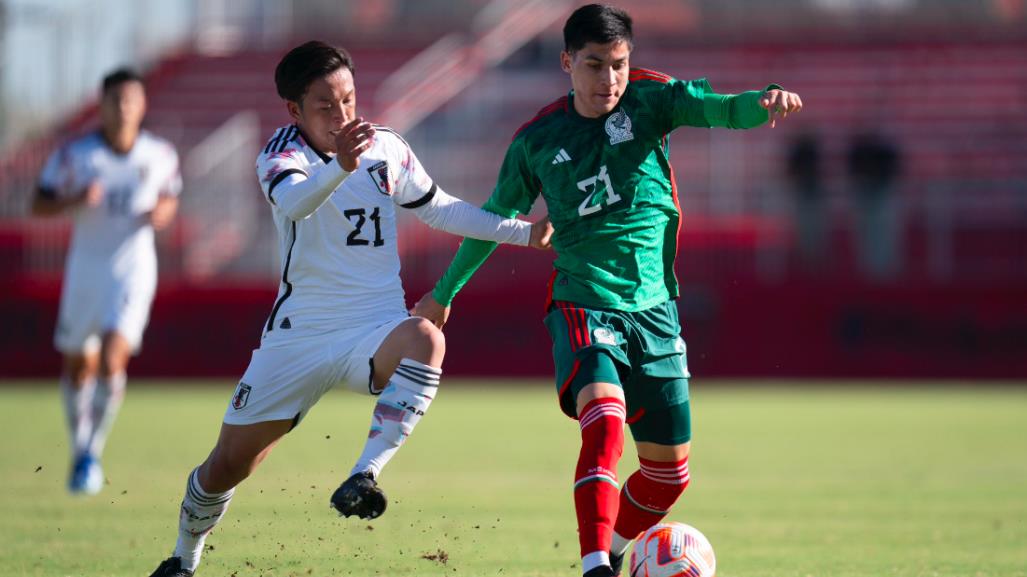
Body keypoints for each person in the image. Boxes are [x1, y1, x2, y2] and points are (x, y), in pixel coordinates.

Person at [412, 5, 802, 576]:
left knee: (670, 474)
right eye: (595, 65)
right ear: (568, 62)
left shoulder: (652, 99)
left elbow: (720, 110)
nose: (609, 80)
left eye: (618, 65)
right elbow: (494, 219)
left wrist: (763, 99)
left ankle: (614, 554)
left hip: (655, 310)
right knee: (605, 418)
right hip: (583, 300)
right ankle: (594, 564)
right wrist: (443, 293)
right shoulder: (538, 140)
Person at [148, 41, 552, 577]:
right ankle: (183, 559)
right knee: (229, 464)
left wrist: (524, 234)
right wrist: (340, 166)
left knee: (427, 338)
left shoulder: (385, 147)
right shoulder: (280, 154)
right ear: (295, 110)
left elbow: (438, 209)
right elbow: (295, 202)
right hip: (299, 335)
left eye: (349, 99)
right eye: (325, 105)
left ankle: (364, 475)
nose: (343, 115)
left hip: (375, 326)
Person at [32, 68, 181, 496]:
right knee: (79, 366)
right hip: (85, 269)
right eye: (115, 100)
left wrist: (161, 214)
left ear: (142, 106)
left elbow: (170, 197)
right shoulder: (75, 155)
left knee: (114, 359)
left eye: (130, 100)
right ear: (101, 105)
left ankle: (90, 453)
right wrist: (73, 200)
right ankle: (79, 447)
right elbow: (38, 203)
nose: (122, 108)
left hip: (133, 269)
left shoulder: (158, 154)